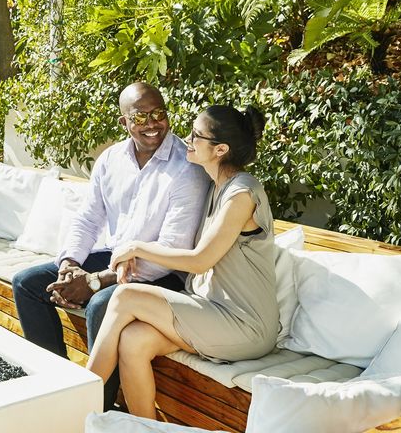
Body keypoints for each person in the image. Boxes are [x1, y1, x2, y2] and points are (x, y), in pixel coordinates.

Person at [11, 82, 211, 409]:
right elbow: (88, 218)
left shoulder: (186, 168)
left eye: (158, 113)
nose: (151, 124)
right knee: (28, 284)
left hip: (166, 273)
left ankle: (99, 408)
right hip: (117, 260)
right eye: (140, 117)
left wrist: (94, 281)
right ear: (124, 122)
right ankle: (56, 388)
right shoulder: (110, 159)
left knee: (101, 304)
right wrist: (70, 266)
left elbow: (172, 250)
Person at [83, 104, 277, 420]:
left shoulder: (242, 193)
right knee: (133, 341)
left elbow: (200, 261)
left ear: (220, 150)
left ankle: (75, 402)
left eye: (196, 135)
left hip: (245, 325)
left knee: (125, 296)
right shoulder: (217, 186)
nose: (186, 139)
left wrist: (136, 248)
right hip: (212, 311)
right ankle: (146, 429)